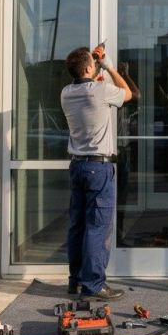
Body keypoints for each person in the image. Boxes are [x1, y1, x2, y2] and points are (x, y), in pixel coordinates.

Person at [61, 44, 132, 300]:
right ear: (90, 67)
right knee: (97, 227)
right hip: (98, 168)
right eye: (94, 62)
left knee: (77, 226)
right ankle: (94, 284)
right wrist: (110, 66)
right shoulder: (100, 90)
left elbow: (90, 91)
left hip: (78, 166)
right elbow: (127, 94)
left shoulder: (67, 93)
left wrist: (96, 72)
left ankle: (76, 281)